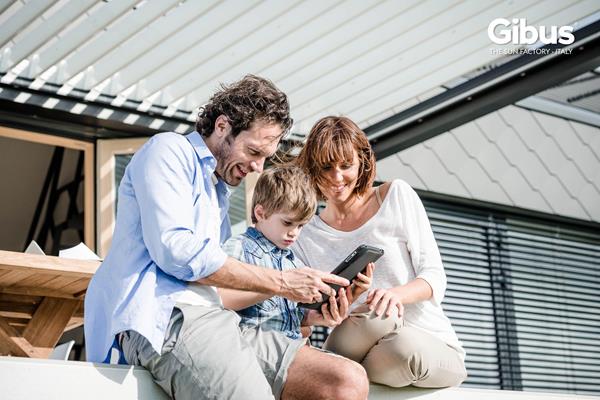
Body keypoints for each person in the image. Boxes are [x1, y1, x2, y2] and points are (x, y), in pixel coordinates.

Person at [84, 77, 369, 400]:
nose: (258, 167)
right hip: (167, 317)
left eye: (266, 156)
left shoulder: (216, 192)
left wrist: (306, 313)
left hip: (217, 319)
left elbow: (217, 288)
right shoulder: (169, 151)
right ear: (222, 126)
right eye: (253, 151)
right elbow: (176, 252)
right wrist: (282, 282)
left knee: (345, 381)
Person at [292, 116, 468, 388]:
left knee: (398, 339)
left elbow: (434, 276)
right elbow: (302, 313)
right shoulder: (305, 234)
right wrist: (331, 311)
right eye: (326, 167)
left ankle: (345, 377)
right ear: (313, 168)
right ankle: (342, 376)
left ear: (362, 161)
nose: (336, 178)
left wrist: (394, 295)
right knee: (376, 319)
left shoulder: (395, 196)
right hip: (356, 340)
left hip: (426, 343)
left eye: (345, 165)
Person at [218, 165, 374, 340]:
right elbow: (218, 300)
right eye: (287, 223)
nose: (294, 232)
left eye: (300, 225)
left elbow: (291, 317)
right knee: (347, 368)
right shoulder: (238, 248)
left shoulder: (294, 262)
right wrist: (277, 287)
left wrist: (314, 317)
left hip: (289, 345)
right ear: (260, 213)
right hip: (253, 345)